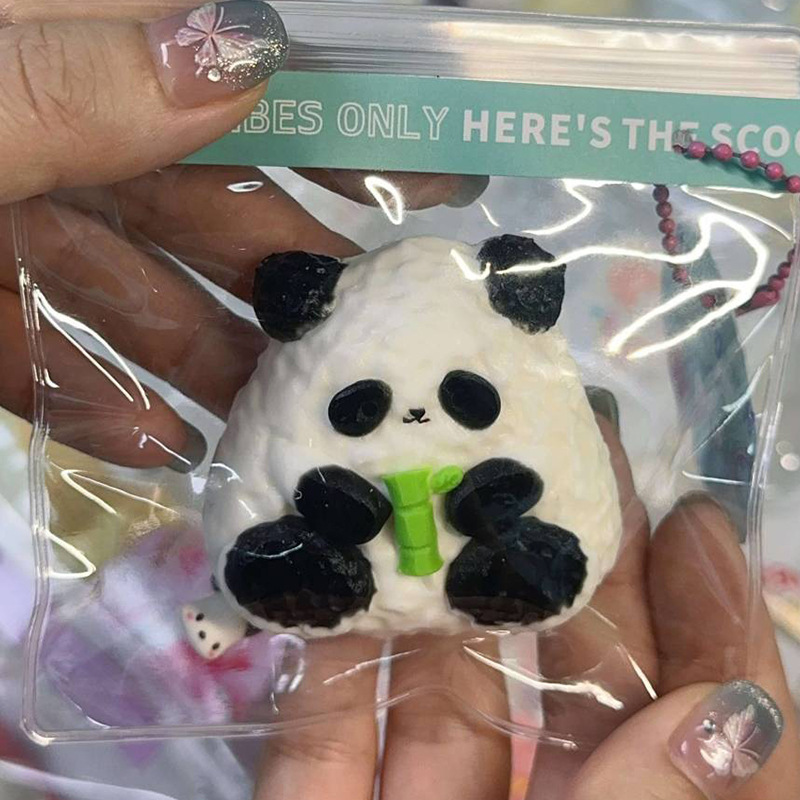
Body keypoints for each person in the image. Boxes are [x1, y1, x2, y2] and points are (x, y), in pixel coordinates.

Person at [0, 2, 797, 798]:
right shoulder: (317, 354)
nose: (414, 421)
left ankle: (512, 566)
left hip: (492, 562)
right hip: (330, 556)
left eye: (460, 400)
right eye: (367, 406)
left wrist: (498, 497)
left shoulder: (499, 341)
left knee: (542, 527)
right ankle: (307, 568)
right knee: (290, 533)